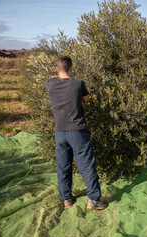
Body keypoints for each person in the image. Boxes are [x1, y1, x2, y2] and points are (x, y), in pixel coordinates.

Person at [45, 56, 107, 210]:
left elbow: (51, 78)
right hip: (77, 131)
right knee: (86, 165)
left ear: (57, 69)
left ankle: (66, 199)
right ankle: (93, 200)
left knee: (63, 166)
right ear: (71, 68)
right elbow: (86, 100)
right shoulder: (78, 83)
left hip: (59, 132)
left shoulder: (49, 84)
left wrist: (57, 75)